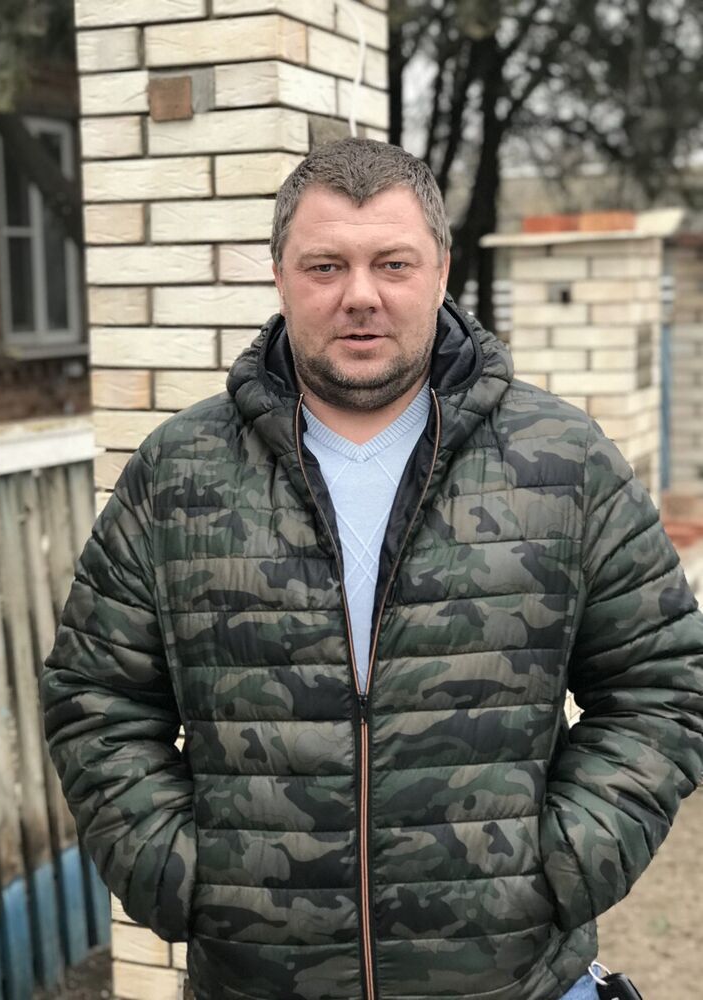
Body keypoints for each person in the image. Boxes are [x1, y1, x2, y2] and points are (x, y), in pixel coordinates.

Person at [41, 138, 703, 1000]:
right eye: (326, 265)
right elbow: (95, 699)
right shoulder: (177, 473)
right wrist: (179, 873)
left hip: (513, 981)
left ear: (441, 271)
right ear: (280, 277)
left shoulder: (563, 461)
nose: (360, 295)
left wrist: (564, 863)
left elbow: (661, 684)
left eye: (393, 263)